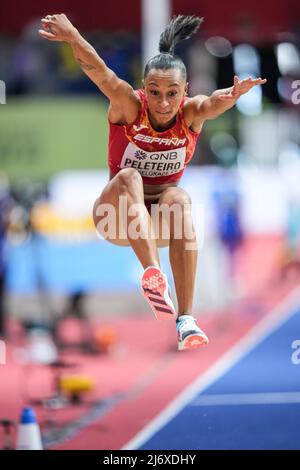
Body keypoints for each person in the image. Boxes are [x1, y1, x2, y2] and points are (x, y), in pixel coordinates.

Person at [39, 14, 266, 350]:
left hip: (159, 223)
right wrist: (74, 37)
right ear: (144, 89)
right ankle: (153, 276)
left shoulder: (190, 114)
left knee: (179, 198)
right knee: (129, 175)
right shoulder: (129, 106)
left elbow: (212, 103)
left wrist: (233, 96)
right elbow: (99, 70)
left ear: (184, 91)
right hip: (115, 217)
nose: (163, 103)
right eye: (155, 92)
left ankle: (186, 319)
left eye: (172, 94)